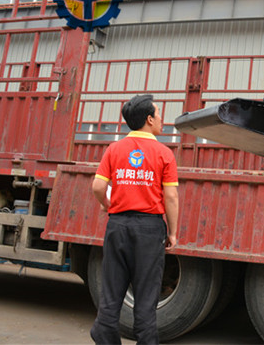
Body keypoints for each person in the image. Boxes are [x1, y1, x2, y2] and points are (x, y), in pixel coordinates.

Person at [90, 94, 179, 345]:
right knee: (146, 295)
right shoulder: (164, 154)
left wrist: (108, 205)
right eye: (159, 113)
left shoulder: (114, 149)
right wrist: (172, 232)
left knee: (112, 292)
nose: (162, 118)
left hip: (117, 225)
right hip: (149, 229)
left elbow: (98, 186)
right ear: (149, 119)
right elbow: (171, 197)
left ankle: (104, 334)